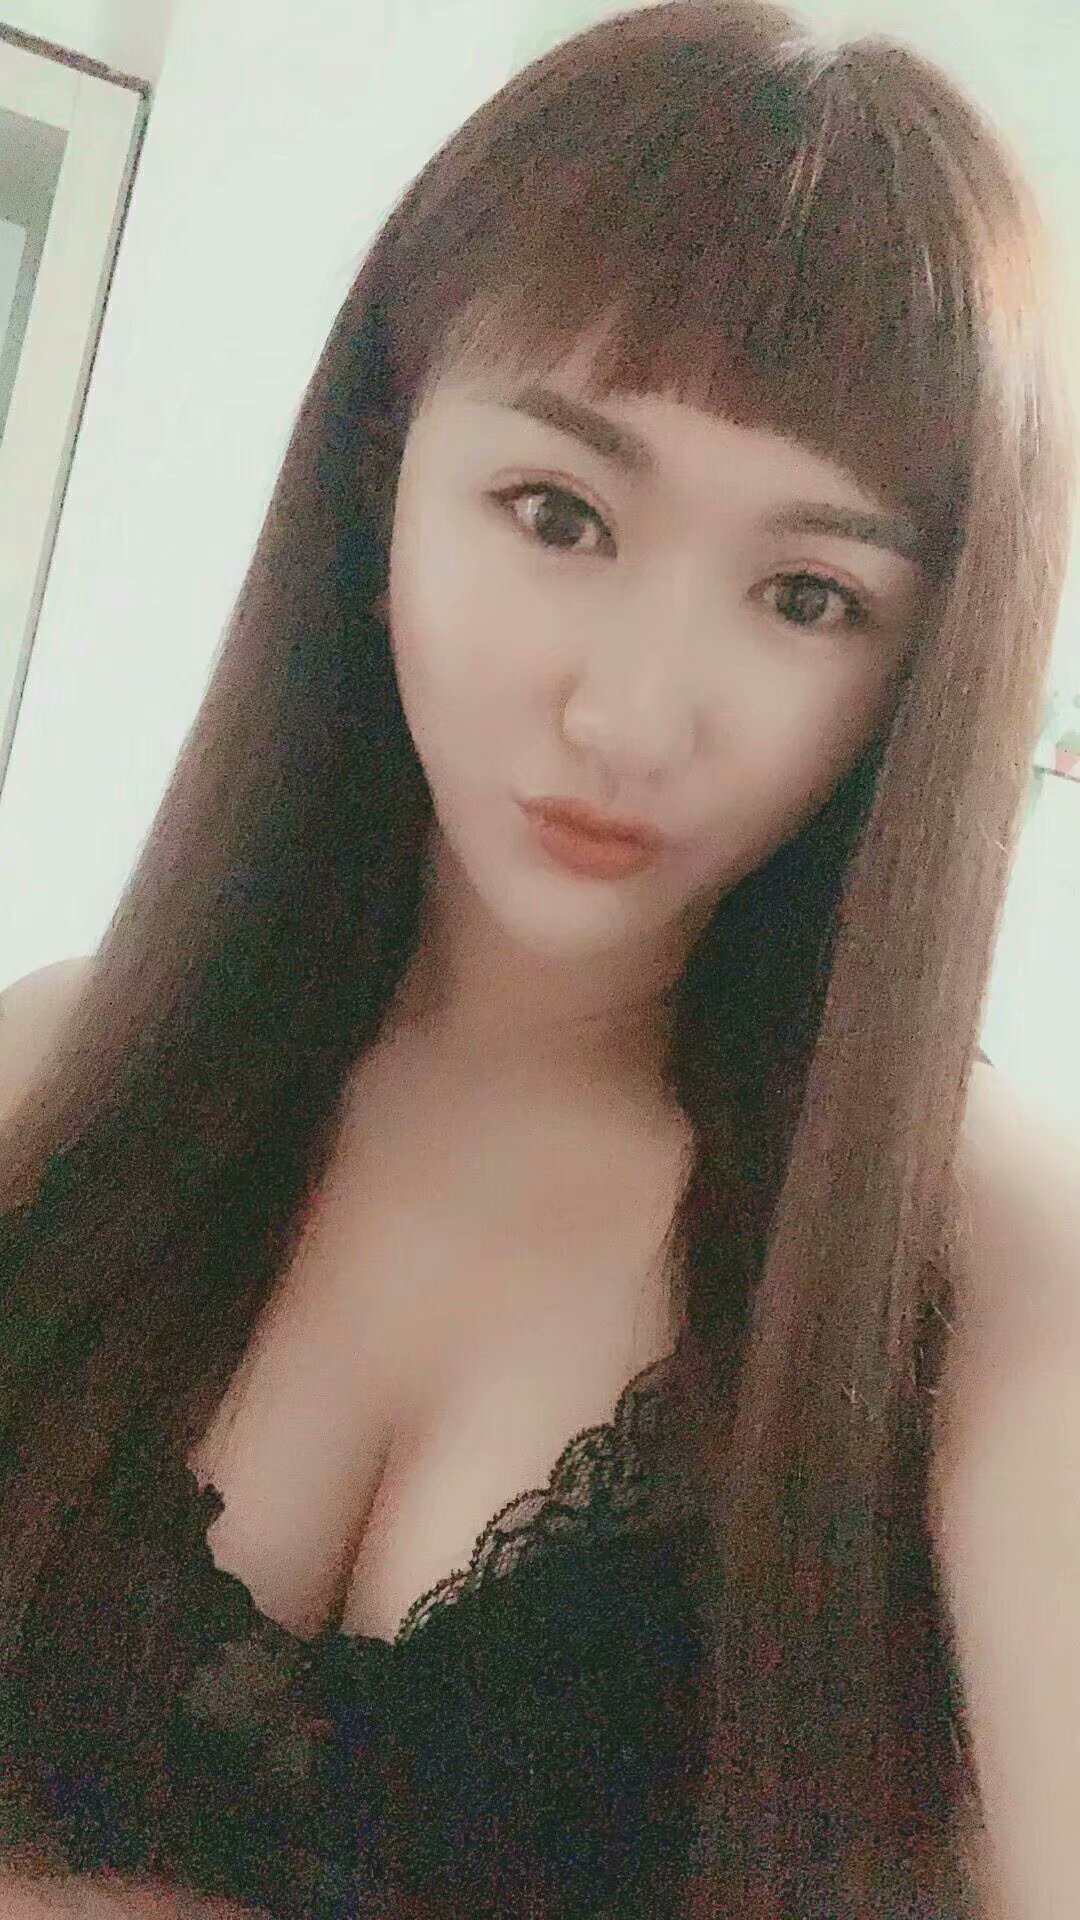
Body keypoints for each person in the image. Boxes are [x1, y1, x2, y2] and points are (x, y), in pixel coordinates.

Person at [0, 1, 1072, 1915]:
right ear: (381, 479)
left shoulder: (985, 1270)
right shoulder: (58, 1084)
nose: (633, 715)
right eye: (558, 513)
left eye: (809, 594)